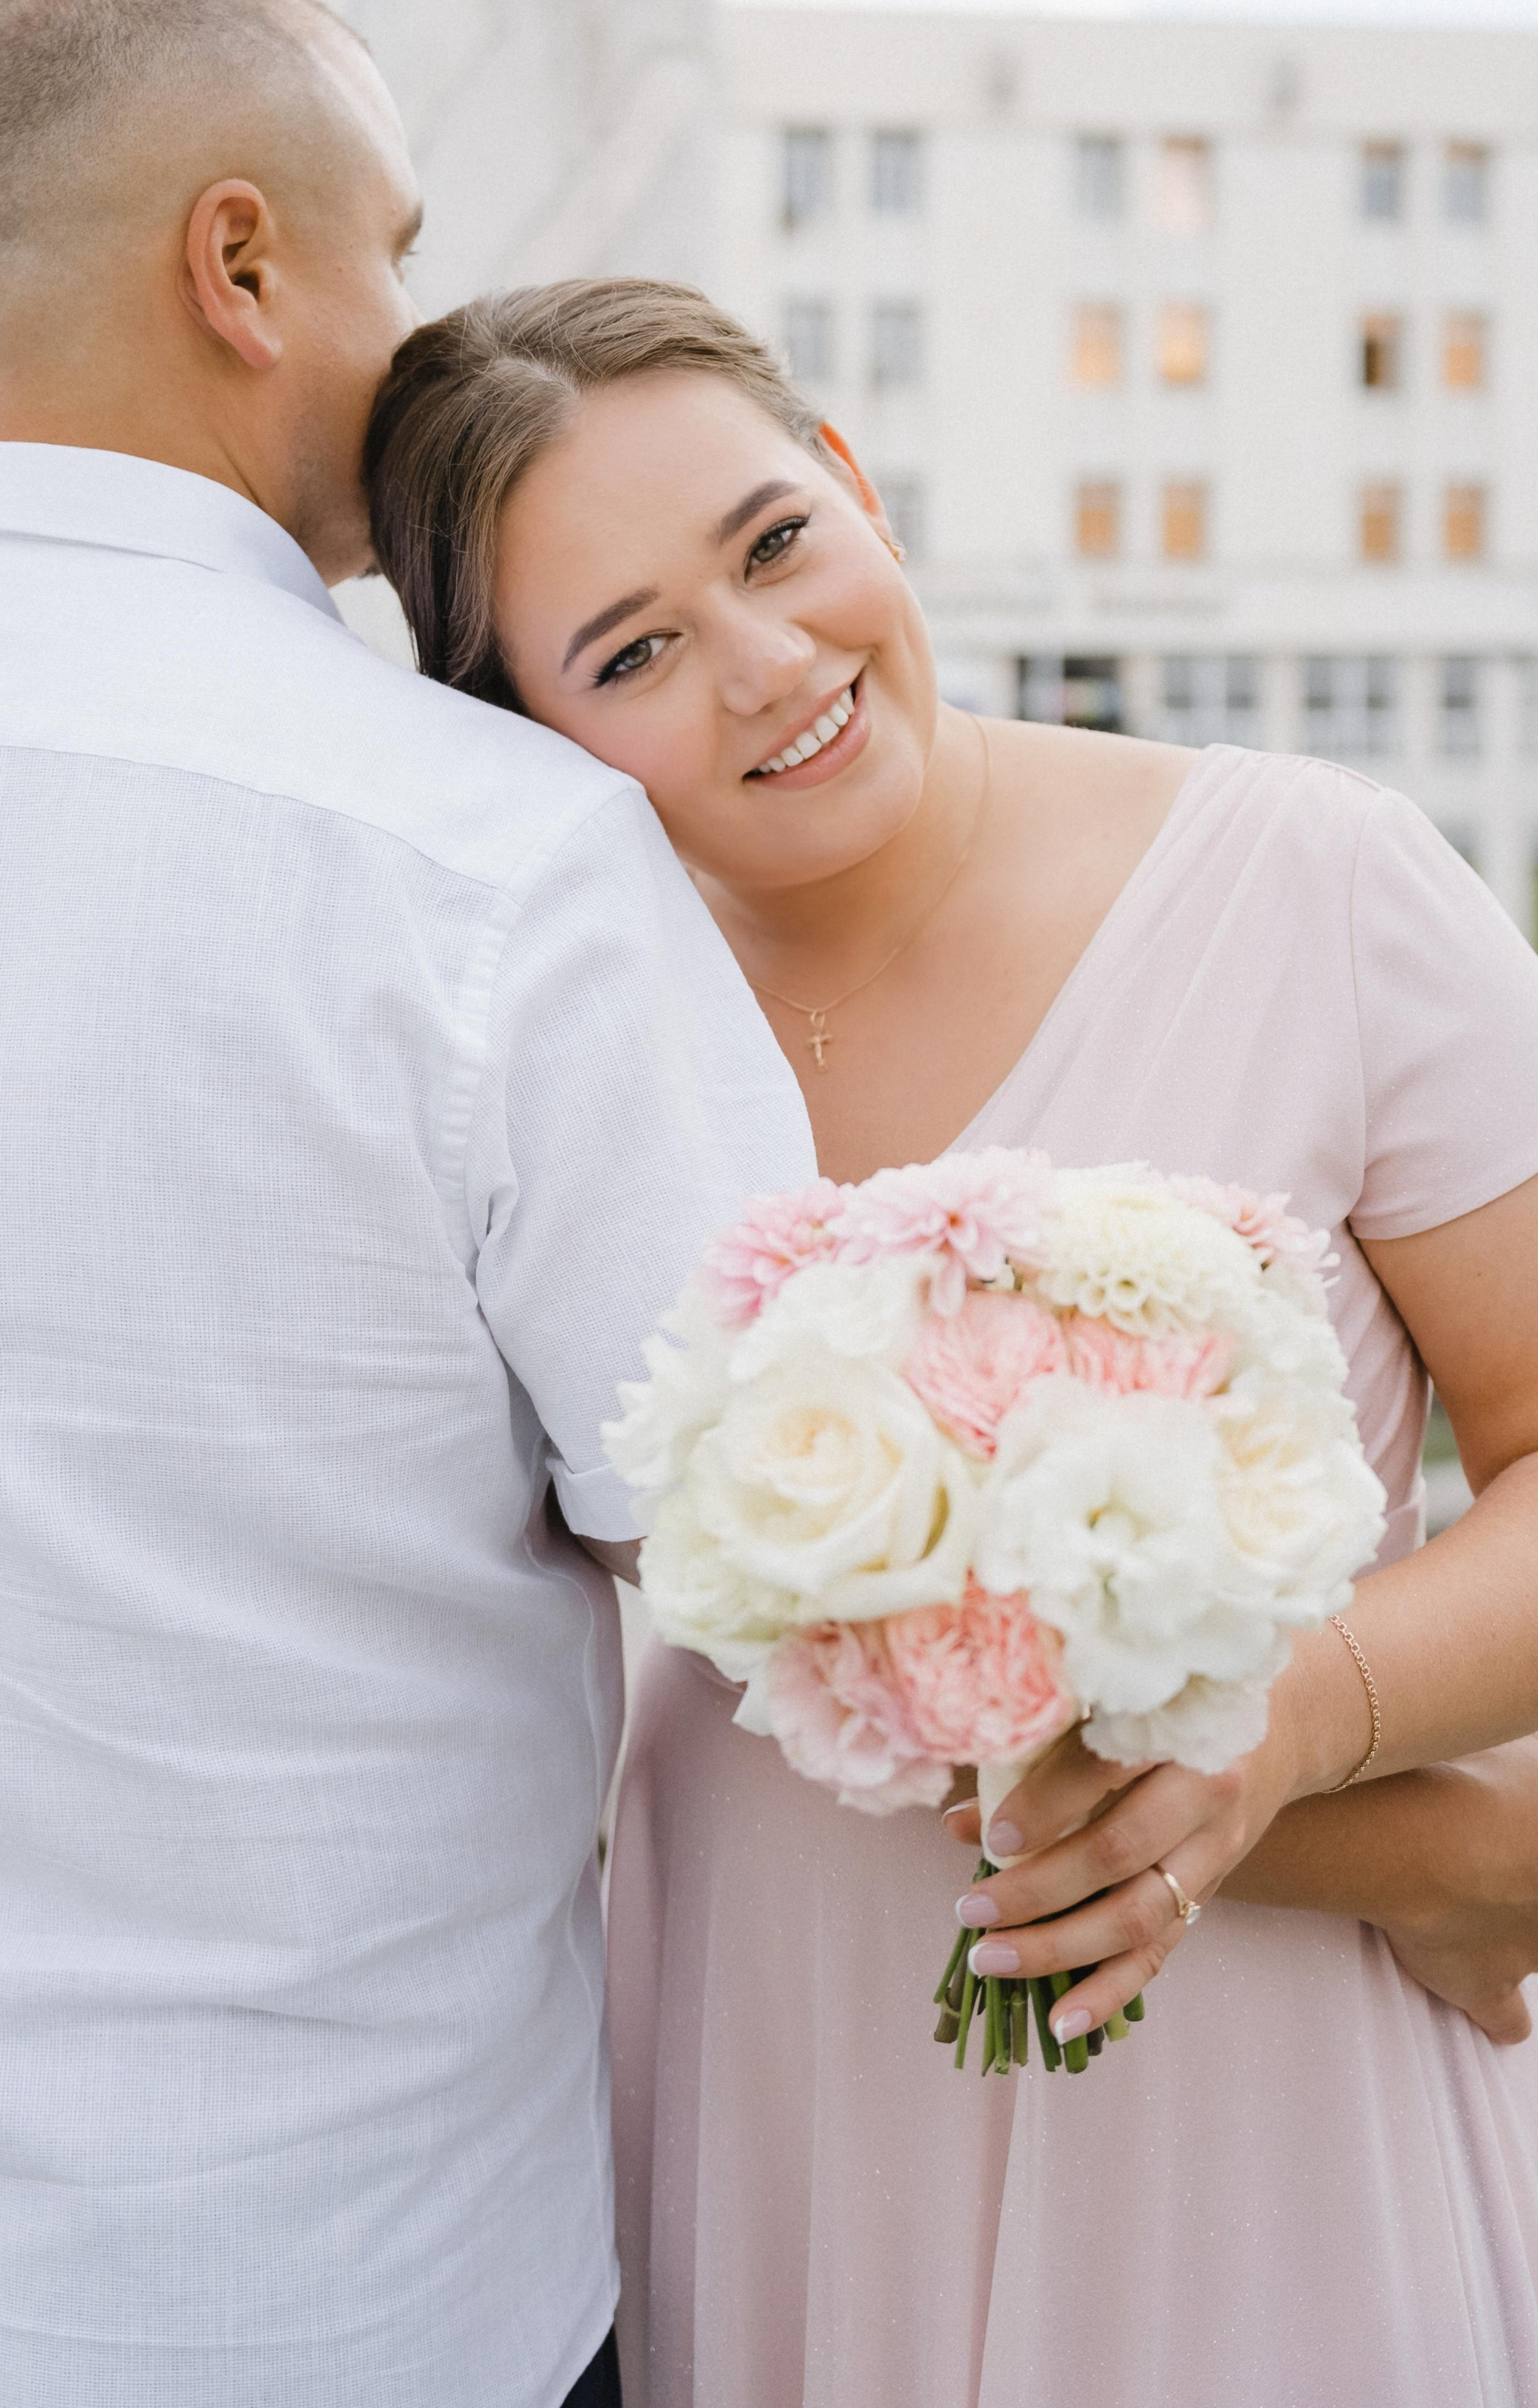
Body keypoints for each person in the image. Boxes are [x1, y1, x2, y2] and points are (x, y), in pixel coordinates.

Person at [0, 0, 816, 2406]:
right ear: (243, 267)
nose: (427, 332)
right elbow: (773, 1542)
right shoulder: (501, 860)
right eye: (399, 249)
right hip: (341, 2288)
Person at [357, 278, 1538, 2408]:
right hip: (789, 2064)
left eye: (776, 541)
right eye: (631, 652)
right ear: (526, 736)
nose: (770, 665)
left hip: (1254, 2062)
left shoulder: (1321, 881)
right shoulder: (541, 1049)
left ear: (858, 489)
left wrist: (1310, 1726)